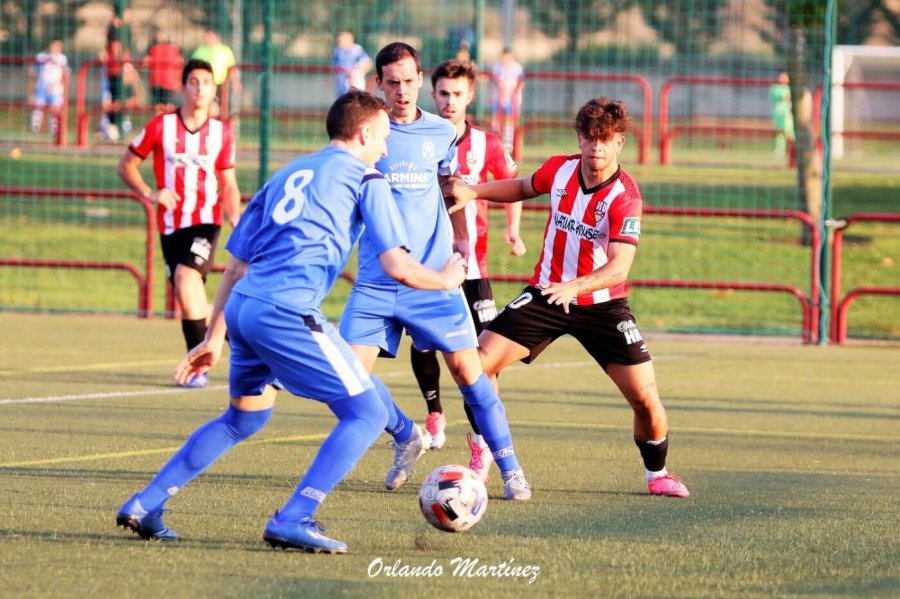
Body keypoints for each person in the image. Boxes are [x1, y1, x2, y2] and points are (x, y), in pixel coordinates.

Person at [115, 90, 468, 553]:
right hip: (286, 312)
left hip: (244, 308)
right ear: (364, 133)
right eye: (383, 137)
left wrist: (213, 338)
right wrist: (446, 278)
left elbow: (237, 264)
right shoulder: (368, 178)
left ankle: (146, 502)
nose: (386, 147)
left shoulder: (287, 173)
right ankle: (294, 517)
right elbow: (398, 266)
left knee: (244, 419)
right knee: (366, 413)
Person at [445, 97, 690, 499]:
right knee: (475, 366)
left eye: (606, 139)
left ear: (619, 143)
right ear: (579, 138)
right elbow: (524, 186)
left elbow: (619, 267)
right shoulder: (559, 169)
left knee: (646, 399)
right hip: (545, 296)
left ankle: (657, 473)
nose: (597, 147)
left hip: (603, 306)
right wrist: (474, 191)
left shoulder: (625, 197)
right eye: (590, 138)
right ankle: (486, 449)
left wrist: (575, 287)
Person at [339, 42, 532, 501]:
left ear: (419, 79)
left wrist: (463, 244)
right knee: (345, 378)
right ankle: (406, 433)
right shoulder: (367, 135)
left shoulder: (441, 132)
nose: (402, 91)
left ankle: (511, 470)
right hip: (378, 277)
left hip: (433, 279)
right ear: (378, 84)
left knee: (470, 373)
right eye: (392, 83)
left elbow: (453, 191)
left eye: (409, 81)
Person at [412, 59, 526, 481]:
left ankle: (482, 447)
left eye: (457, 94)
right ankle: (433, 413)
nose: (449, 102)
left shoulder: (487, 143)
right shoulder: (418, 137)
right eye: (442, 93)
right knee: (423, 346)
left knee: (480, 360)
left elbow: (514, 186)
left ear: (470, 97)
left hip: (472, 267)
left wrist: (513, 232)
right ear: (433, 94)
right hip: (425, 264)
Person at [117, 59, 241, 388]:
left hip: (205, 221)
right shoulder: (161, 126)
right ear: (183, 86)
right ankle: (230, 338)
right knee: (189, 295)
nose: (200, 89)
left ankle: (197, 364)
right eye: (194, 82)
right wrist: (149, 192)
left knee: (187, 279)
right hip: (170, 224)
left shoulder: (221, 133)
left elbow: (227, 183)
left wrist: (235, 217)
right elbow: (126, 164)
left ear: (215, 90)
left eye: (206, 83)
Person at [192, 30, 241, 117]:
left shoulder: (225, 50)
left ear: (217, 36)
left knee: (222, 110)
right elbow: (192, 69)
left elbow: (232, 68)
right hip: (204, 85)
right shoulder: (200, 51)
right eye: (207, 36)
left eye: (211, 36)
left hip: (221, 85)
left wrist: (236, 82)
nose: (208, 39)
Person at [29, 40, 69, 137]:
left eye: (58, 46)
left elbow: (66, 74)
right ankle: (34, 129)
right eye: (54, 45)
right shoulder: (41, 57)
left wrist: (59, 85)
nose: (56, 47)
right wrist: (31, 89)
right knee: (38, 107)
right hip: (41, 87)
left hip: (56, 88)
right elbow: (32, 72)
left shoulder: (62, 58)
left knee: (55, 109)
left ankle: (55, 131)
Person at [489, 47, 524, 150]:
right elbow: (495, 80)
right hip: (499, 98)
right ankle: (495, 142)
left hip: (512, 99)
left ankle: (509, 145)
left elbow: (520, 82)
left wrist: (513, 94)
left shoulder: (517, 67)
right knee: (496, 120)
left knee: (510, 121)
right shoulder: (497, 66)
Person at [144, 29, 184, 112]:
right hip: (160, 83)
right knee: (161, 108)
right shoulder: (154, 48)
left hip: (166, 83)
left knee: (166, 108)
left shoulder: (171, 49)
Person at [333, 31, 372, 97]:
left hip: (355, 82)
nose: (338, 42)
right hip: (341, 83)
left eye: (340, 40)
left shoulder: (357, 50)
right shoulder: (338, 51)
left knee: (355, 101)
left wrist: (355, 72)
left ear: (349, 40)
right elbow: (336, 67)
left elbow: (367, 63)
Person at [769, 71, 794, 159]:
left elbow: (790, 98)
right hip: (779, 113)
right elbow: (782, 97)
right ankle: (780, 149)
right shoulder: (775, 88)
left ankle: (792, 150)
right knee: (780, 132)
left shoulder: (791, 87)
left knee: (790, 132)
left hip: (788, 113)